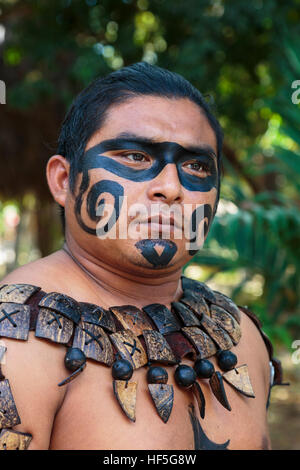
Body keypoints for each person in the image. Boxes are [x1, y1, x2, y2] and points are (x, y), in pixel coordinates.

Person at [0, 62, 282, 450]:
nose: (170, 187)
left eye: (196, 165)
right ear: (64, 181)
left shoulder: (239, 333)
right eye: (135, 156)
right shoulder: (18, 340)